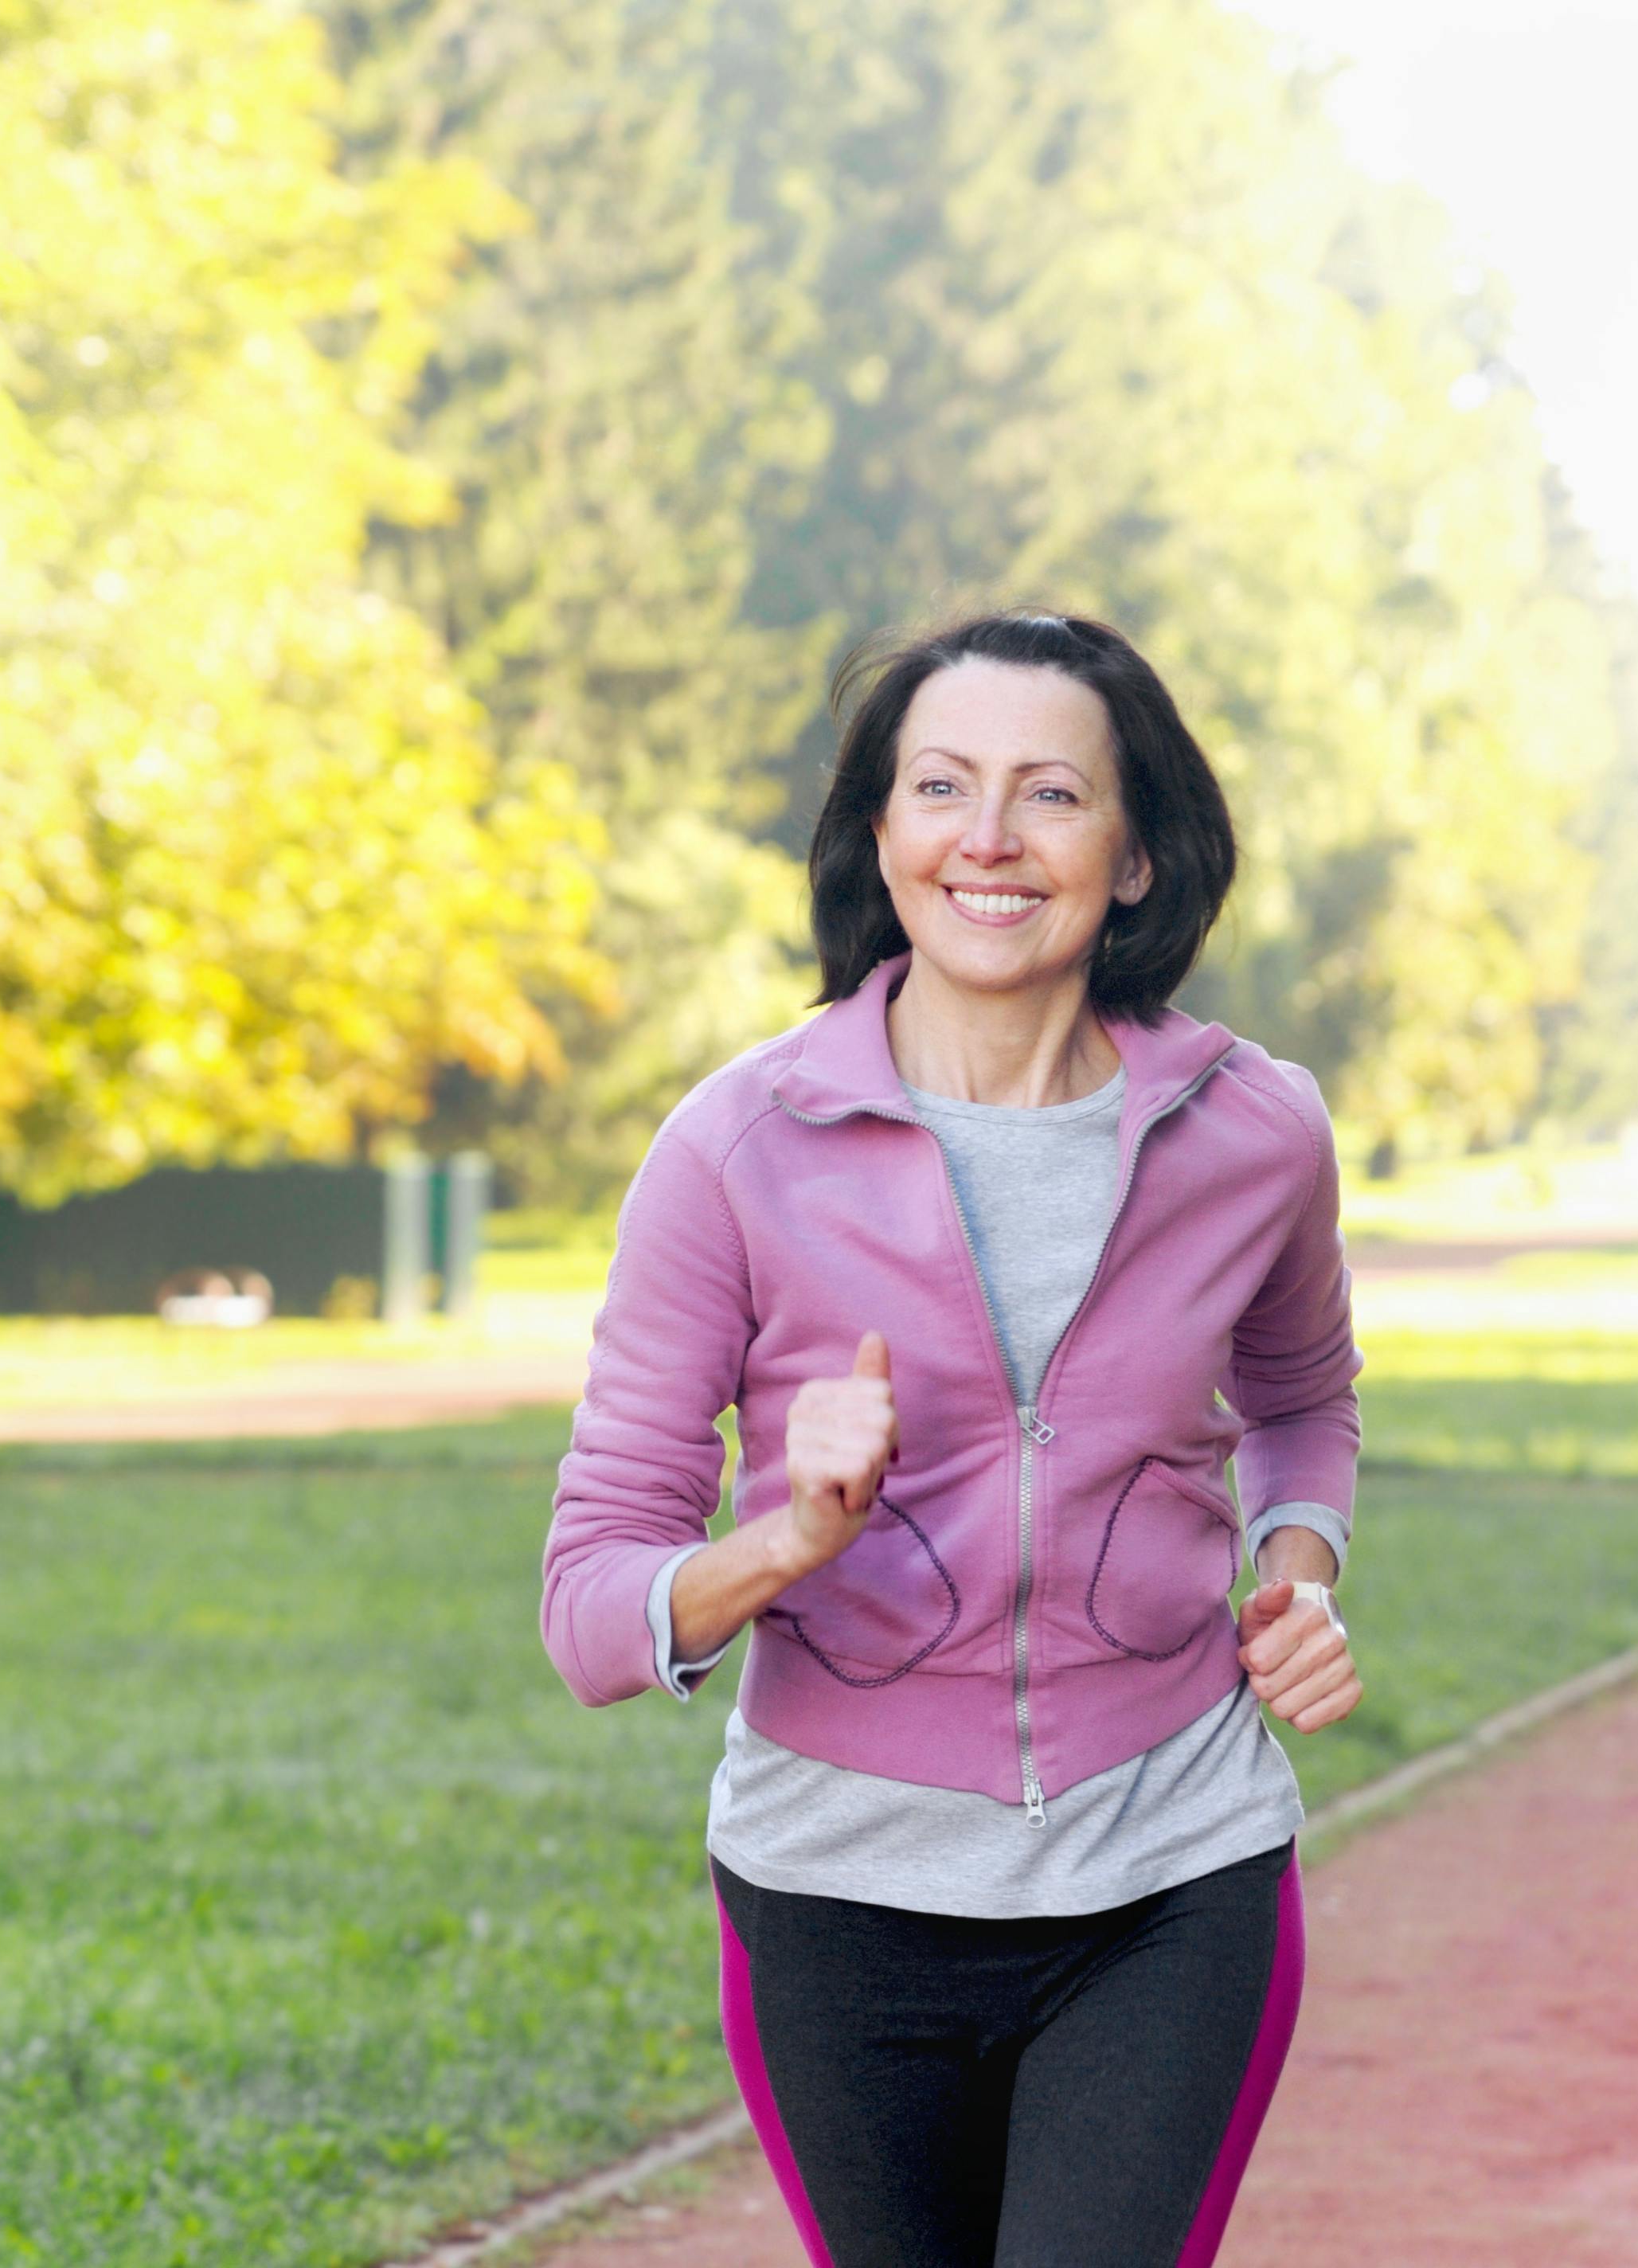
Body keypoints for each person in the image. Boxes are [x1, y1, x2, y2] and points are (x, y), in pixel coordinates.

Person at [540, 611, 1364, 2267]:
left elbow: (1299, 1395)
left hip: (1168, 1866)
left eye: (1049, 793)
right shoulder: (733, 1148)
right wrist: (785, 1535)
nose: (986, 837)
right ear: (882, 834)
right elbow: (586, 1611)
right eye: (939, 786)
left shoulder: (1253, 1128)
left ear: (1132, 856)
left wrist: (1295, 1567)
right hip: (837, 1895)